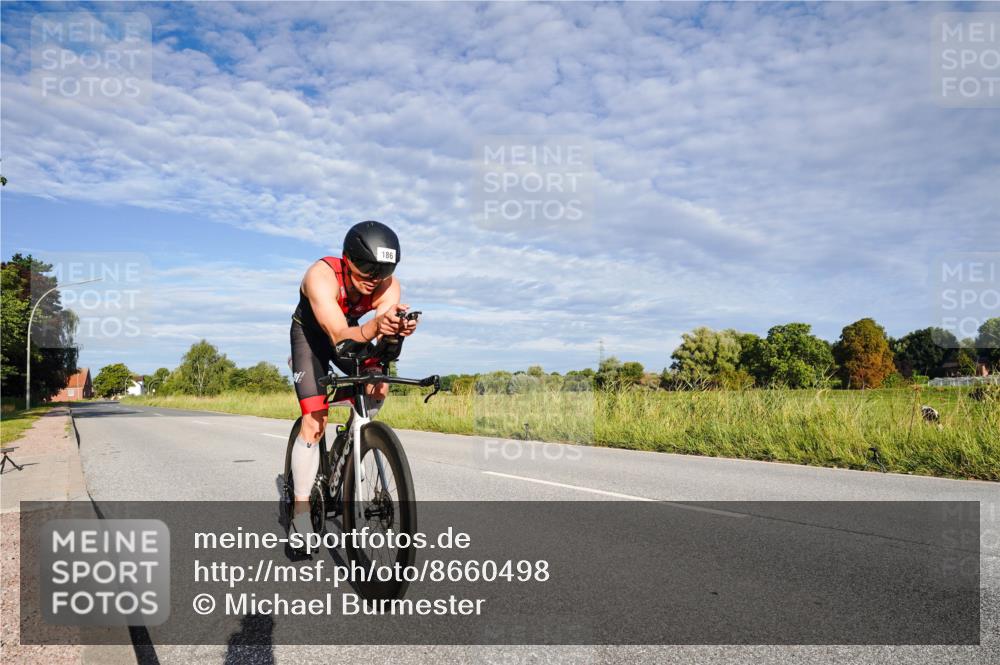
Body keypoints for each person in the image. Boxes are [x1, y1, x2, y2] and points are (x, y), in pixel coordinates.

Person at [287, 220, 418, 543]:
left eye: (383, 270)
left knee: (377, 384)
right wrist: (375, 328)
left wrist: (395, 333)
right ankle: (300, 513)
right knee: (315, 421)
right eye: (366, 268)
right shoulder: (320, 276)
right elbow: (338, 335)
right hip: (314, 338)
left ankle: (355, 441)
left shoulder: (388, 286)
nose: (374, 278)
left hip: (351, 333)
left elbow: (379, 341)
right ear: (347, 259)